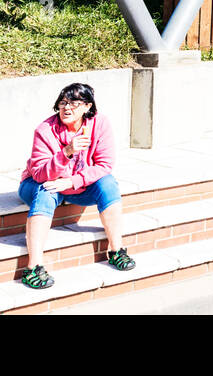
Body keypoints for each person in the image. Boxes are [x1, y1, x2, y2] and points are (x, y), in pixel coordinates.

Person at [17, 82, 134, 289]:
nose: (67, 108)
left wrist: (72, 181)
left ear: (87, 106)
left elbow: (104, 164)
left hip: (76, 187)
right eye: (63, 103)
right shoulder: (45, 130)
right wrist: (66, 153)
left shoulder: (99, 124)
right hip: (37, 183)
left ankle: (116, 251)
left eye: (74, 103)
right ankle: (33, 268)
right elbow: (39, 173)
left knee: (108, 183)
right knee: (45, 190)